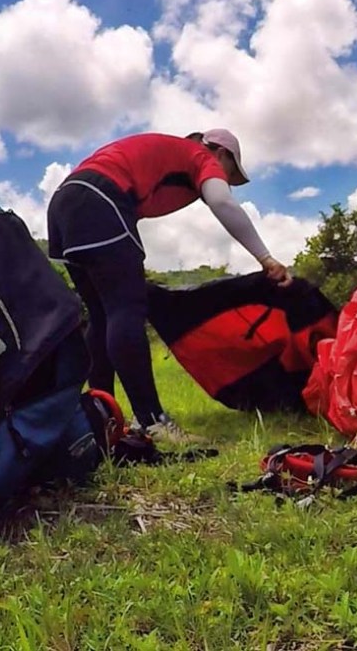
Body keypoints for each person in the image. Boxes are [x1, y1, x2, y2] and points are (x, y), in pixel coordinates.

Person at [46, 129, 292, 444]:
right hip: (101, 197)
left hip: (65, 201)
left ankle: (100, 418)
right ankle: (152, 420)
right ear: (221, 153)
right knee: (126, 308)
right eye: (230, 173)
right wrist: (266, 258)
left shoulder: (170, 153)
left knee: (102, 314)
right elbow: (221, 201)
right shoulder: (201, 156)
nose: (226, 180)